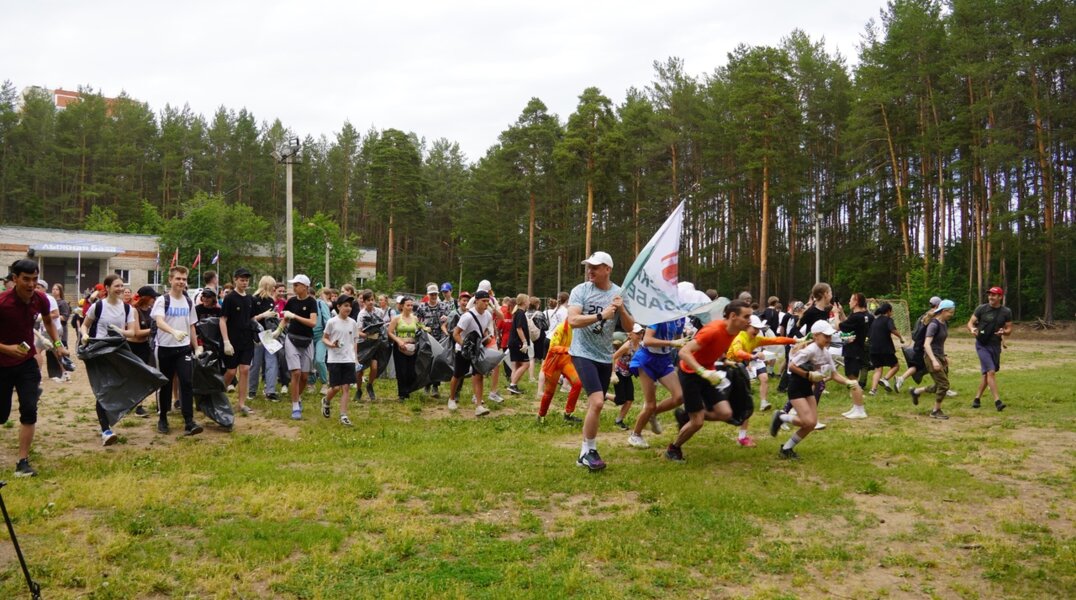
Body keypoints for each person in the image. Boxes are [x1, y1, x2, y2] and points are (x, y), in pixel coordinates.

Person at [567, 251, 634, 471]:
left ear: (608, 269)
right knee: (597, 401)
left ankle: (583, 454)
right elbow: (573, 320)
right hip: (582, 352)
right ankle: (592, 450)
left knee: (595, 405)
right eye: (589, 266)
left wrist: (621, 309)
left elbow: (631, 328)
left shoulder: (618, 293)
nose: (590, 270)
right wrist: (601, 316)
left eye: (595, 267)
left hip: (605, 356)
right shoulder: (581, 290)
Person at [663, 301, 754, 461]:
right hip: (690, 373)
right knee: (697, 422)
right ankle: (673, 449)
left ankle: (686, 416)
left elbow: (714, 348)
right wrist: (701, 371)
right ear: (733, 316)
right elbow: (684, 352)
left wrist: (724, 361)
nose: (750, 320)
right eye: (746, 316)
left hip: (709, 373)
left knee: (725, 413)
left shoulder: (734, 331)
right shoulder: (713, 330)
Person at [1, 259, 68, 476]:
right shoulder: (3, 303)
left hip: (27, 363)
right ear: (15, 279)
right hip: (2, 364)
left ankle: (23, 462)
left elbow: (48, 321)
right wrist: (7, 349)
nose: (31, 284)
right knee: (1, 415)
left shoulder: (39, 299)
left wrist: (58, 344)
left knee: (29, 410)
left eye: (35, 279)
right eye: (26, 279)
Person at [769, 320, 863, 459]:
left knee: (811, 424)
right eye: (826, 336)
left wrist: (848, 382)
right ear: (815, 336)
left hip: (807, 388)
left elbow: (834, 374)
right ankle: (781, 417)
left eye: (830, 336)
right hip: (796, 387)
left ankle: (787, 448)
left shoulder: (825, 353)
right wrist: (808, 374)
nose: (829, 339)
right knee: (806, 421)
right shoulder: (810, 350)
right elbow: (792, 366)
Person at [79, 274, 140, 445]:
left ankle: (110, 419)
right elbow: (85, 324)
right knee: (103, 389)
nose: (120, 289)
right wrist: (84, 335)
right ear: (107, 288)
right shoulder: (98, 306)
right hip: (99, 353)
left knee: (118, 387)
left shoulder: (127, 309)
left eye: (122, 285)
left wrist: (119, 331)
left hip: (118, 352)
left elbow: (132, 332)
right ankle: (105, 429)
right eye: (117, 286)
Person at [725, 314, 799, 444]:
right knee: (718, 405)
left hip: (738, 371)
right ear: (746, 327)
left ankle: (742, 437)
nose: (757, 331)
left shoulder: (755, 339)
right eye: (755, 328)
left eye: (758, 329)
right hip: (727, 371)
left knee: (747, 404)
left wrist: (795, 341)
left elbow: (775, 340)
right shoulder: (739, 339)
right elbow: (737, 352)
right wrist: (751, 356)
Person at [151, 267, 204, 437]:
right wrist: (173, 332)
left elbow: (191, 326)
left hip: (183, 349)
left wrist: (196, 347)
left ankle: (189, 421)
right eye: (178, 279)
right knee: (165, 384)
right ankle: (163, 417)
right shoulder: (162, 300)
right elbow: (159, 321)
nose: (181, 282)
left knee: (187, 382)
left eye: (184, 279)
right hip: (165, 348)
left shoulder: (188, 302)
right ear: (170, 280)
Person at [626, 317, 687, 449]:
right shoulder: (657, 316)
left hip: (664, 360)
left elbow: (678, 340)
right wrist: (672, 343)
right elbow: (647, 340)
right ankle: (635, 435)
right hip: (646, 359)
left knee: (679, 396)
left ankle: (653, 414)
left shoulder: (681, 319)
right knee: (650, 404)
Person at [447, 290, 495, 416]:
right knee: (458, 374)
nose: (486, 304)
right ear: (476, 301)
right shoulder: (467, 317)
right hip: (462, 349)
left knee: (479, 375)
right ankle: (451, 399)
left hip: (477, 350)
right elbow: (455, 333)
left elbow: (482, 330)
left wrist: (488, 340)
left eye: (487, 301)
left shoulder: (488, 315)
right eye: (483, 301)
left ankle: (479, 405)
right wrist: (465, 346)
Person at [967, 286, 1012, 411]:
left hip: (995, 346)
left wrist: (1004, 331)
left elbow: (1009, 329)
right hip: (982, 345)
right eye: (990, 295)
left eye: (994, 295)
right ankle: (997, 401)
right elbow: (970, 323)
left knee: (987, 374)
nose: (991, 297)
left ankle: (977, 399)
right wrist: (972, 329)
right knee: (991, 372)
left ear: (1000, 297)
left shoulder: (1006, 312)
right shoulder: (981, 309)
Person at [909, 299, 956, 419]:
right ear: (944, 311)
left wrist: (943, 356)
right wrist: (934, 360)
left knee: (938, 385)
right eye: (951, 312)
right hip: (931, 357)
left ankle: (916, 392)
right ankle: (935, 411)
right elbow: (926, 344)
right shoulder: (934, 324)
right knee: (944, 385)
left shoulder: (944, 323)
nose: (952, 314)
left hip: (939, 356)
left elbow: (939, 343)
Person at [282, 275, 319, 419]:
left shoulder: (312, 302)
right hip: (291, 338)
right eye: (294, 284)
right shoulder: (291, 301)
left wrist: (295, 316)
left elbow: (313, 322)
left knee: (304, 376)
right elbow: (285, 319)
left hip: (307, 340)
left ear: (305, 287)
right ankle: (295, 406)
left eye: (297, 285)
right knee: (296, 373)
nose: (294, 287)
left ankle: (298, 397)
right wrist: (278, 331)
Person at [220, 267, 255, 416]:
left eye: (246, 280)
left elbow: (252, 319)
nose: (244, 282)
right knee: (231, 371)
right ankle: (217, 395)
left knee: (245, 370)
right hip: (232, 340)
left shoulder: (250, 298)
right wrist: (226, 341)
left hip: (247, 340)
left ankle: (241, 403)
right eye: (242, 280)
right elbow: (222, 320)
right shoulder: (230, 298)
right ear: (235, 280)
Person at [321, 294, 359, 426]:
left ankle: (343, 415)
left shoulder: (353, 323)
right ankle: (326, 400)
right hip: (334, 359)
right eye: (345, 306)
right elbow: (324, 338)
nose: (348, 308)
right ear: (338, 307)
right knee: (336, 387)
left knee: (346, 388)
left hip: (348, 359)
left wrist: (355, 357)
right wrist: (331, 344)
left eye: (350, 306)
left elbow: (355, 341)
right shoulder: (332, 322)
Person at [537, 318, 583, 423]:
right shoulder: (562, 327)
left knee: (578, 383)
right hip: (554, 363)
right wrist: (568, 350)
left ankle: (568, 414)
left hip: (566, 362)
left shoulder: (579, 329)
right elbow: (553, 347)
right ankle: (541, 415)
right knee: (549, 392)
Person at [416, 283, 452, 397]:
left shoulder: (443, 306)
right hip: (427, 338)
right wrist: (422, 327)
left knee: (438, 362)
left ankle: (435, 386)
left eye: (435, 294)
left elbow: (451, 318)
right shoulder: (422, 307)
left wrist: (447, 318)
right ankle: (426, 385)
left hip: (440, 337)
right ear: (428, 295)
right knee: (427, 361)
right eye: (431, 294)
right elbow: (416, 321)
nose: (433, 296)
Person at [248, 276, 280, 402]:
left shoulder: (271, 301)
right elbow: (250, 319)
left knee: (272, 362)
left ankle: (270, 390)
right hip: (257, 334)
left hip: (268, 334)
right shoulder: (253, 299)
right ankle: (252, 390)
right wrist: (263, 315)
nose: (274, 288)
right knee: (255, 363)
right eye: (273, 285)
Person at [609, 324, 643, 430]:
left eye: (641, 333)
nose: (640, 335)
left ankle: (619, 421)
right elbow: (613, 357)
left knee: (629, 400)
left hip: (628, 374)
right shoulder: (627, 346)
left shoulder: (641, 346)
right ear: (631, 334)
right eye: (637, 333)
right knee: (621, 400)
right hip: (619, 373)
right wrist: (613, 373)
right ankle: (604, 395)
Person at [387, 295, 420, 402]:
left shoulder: (415, 318)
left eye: (411, 305)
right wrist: (399, 341)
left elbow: (419, 329)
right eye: (408, 305)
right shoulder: (397, 318)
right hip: (400, 347)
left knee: (411, 371)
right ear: (402, 306)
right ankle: (402, 394)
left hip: (412, 347)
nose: (410, 307)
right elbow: (390, 332)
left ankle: (408, 389)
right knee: (401, 371)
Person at [867, 302, 905, 395]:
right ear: (888, 311)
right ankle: (885, 379)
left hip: (873, 348)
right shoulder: (888, 319)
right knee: (896, 366)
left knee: (878, 369)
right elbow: (892, 329)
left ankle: (873, 390)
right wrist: (901, 337)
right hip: (885, 348)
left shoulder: (875, 320)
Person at [839, 293, 873, 387]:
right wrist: (841, 312)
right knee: (862, 367)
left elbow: (840, 326)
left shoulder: (856, 317)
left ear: (856, 302)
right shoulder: (867, 316)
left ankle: (858, 391)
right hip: (861, 347)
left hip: (852, 349)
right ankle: (860, 386)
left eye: (851, 300)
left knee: (851, 375)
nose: (849, 302)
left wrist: (835, 313)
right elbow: (848, 323)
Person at [507, 293, 532, 395]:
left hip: (513, 342)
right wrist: (524, 342)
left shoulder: (517, 312)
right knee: (526, 364)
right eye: (528, 300)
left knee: (516, 366)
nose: (529, 302)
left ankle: (514, 387)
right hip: (518, 342)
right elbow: (519, 328)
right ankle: (512, 384)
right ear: (524, 302)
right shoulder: (521, 313)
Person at [311, 287, 334, 397]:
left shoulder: (320, 304)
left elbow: (328, 320)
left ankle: (325, 382)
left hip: (320, 336)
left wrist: (328, 335)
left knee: (319, 360)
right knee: (310, 360)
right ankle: (311, 383)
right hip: (307, 336)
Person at [52, 283, 71, 349]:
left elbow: (65, 317)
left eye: (57, 289)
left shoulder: (63, 303)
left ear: (60, 291)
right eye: (53, 289)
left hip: (61, 330)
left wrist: (52, 316)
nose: (54, 291)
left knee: (61, 347)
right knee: (52, 349)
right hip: (53, 330)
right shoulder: (51, 301)